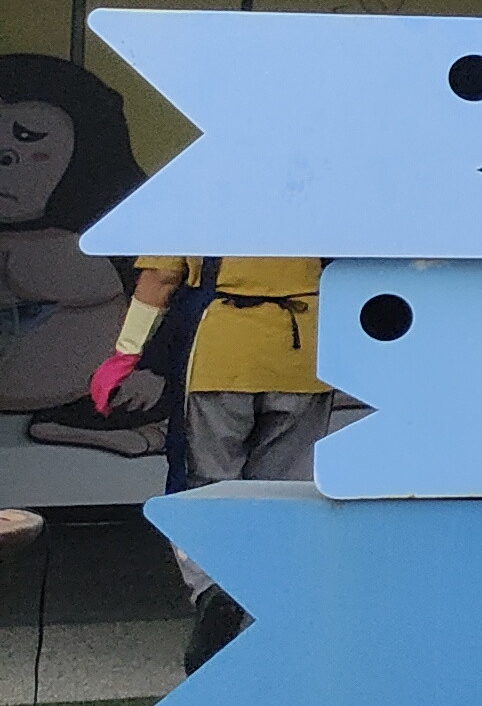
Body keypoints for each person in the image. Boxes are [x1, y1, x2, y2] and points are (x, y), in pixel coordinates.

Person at [90, 254, 333, 667]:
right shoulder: (315, 208)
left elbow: (161, 277)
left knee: (206, 491)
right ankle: (264, 627)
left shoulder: (198, 206)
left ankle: (212, 590)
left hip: (222, 354)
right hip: (306, 355)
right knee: (284, 500)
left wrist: (125, 354)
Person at [2, 54, 152, 458]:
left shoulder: (123, 233)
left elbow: (162, 299)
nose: (5, 157)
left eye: (27, 137)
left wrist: (151, 369)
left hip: (87, 398)